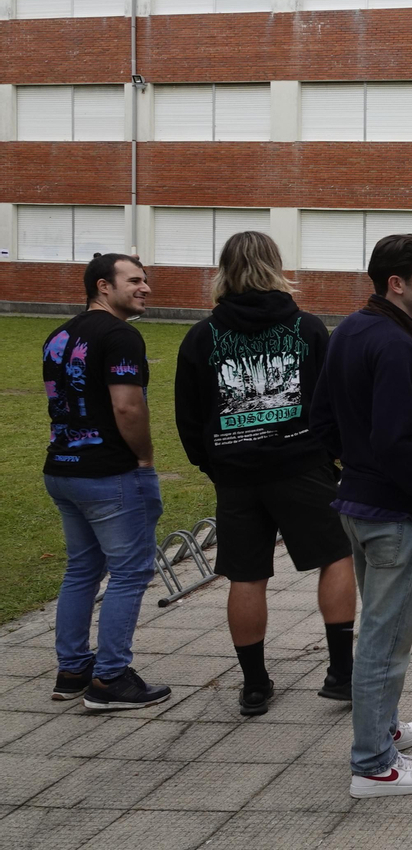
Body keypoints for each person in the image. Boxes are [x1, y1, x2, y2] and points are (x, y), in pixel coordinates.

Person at [309, 234, 412, 799]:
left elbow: (322, 419)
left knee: (381, 630)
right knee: (387, 637)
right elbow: (395, 439)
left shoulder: (353, 327)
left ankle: (383, 726)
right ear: (397, 283)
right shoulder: (394, 343)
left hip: (359, 503)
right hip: (391, 514)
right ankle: (374, 763)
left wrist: (354, 466)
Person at [173, 231, 355, 717]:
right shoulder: (309, 328)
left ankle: (254, 684)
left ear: (224, 271)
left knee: (245, 574)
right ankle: (341, 672)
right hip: (302, 463)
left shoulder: (201, 337)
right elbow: (333, 397)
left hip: (236, 472)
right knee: (336, 557)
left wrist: (212, 462)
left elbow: (188, 415)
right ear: (275, 266)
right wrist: (330, 453)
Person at [41, 253, 170, 711]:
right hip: (109, 474)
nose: (146, 287)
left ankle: (73, 670)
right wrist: (144, 458)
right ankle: (110, 678)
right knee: (130, 572)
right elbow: (127, 407)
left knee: (81, 569)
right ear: (102, 286)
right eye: (134, 280)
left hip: (63, 469)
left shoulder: (58, 335)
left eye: (145, 279)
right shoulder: (120, 336)